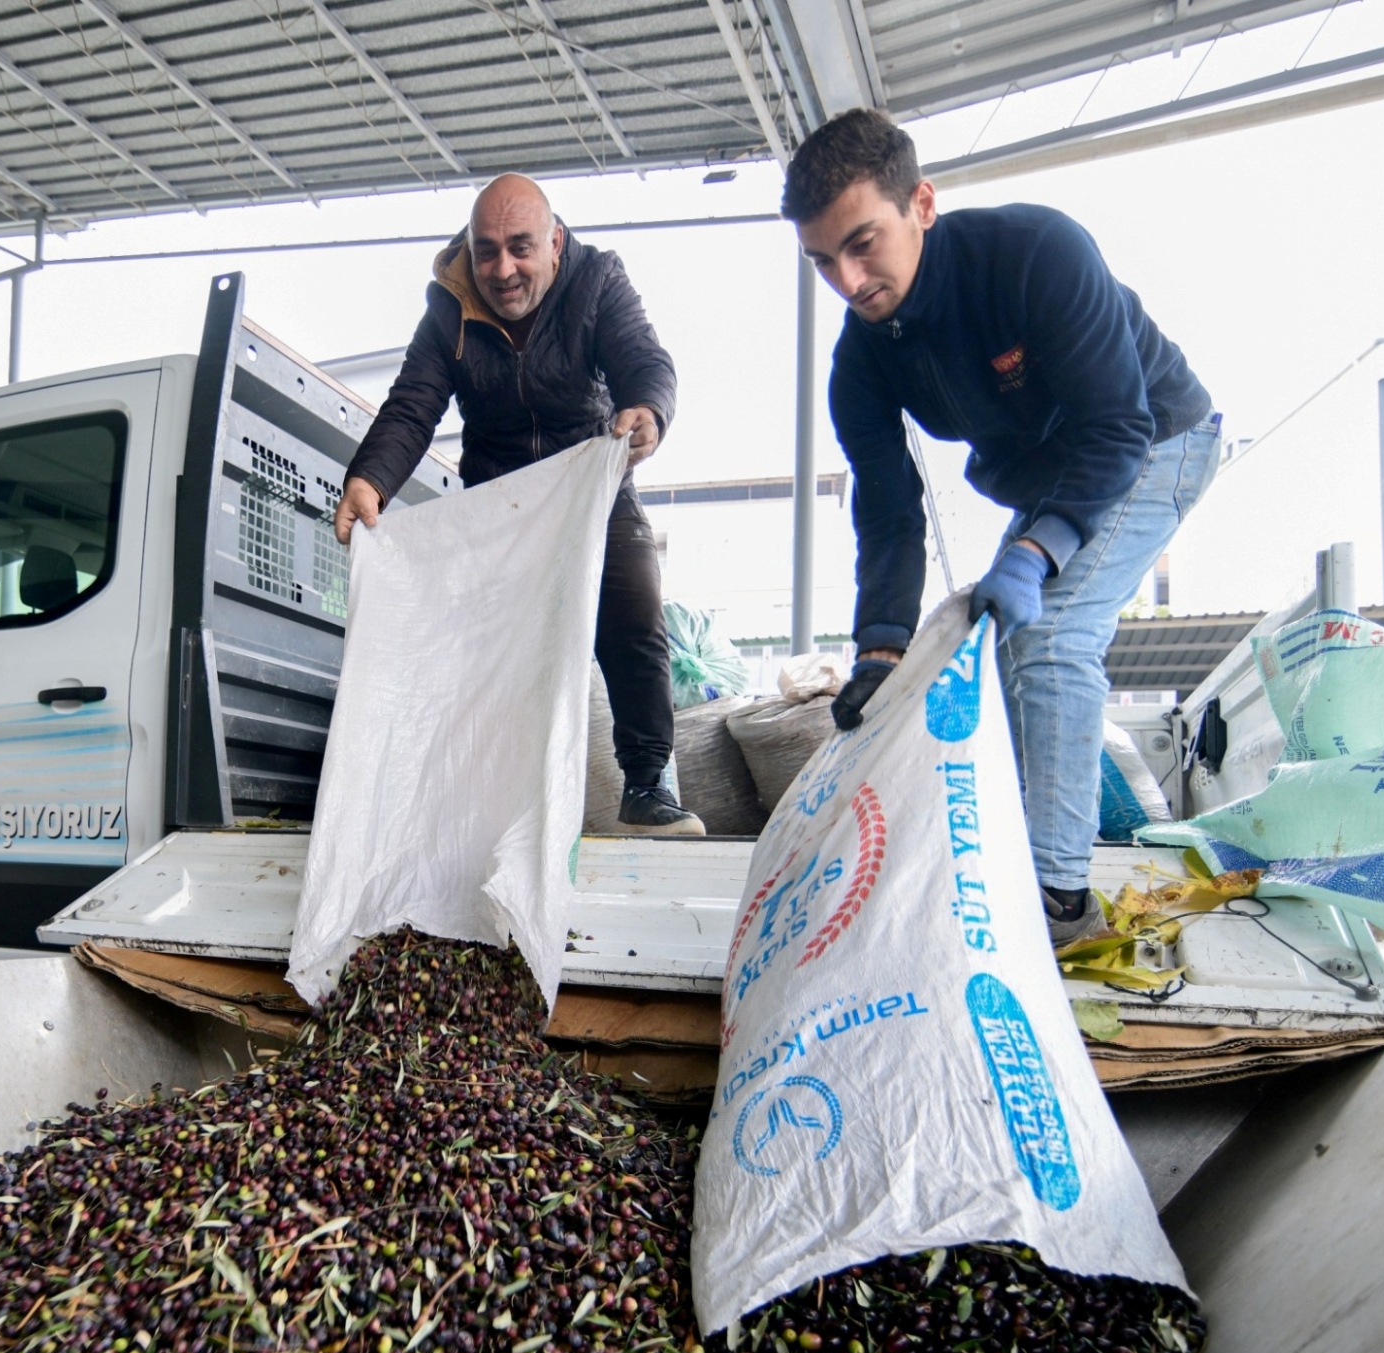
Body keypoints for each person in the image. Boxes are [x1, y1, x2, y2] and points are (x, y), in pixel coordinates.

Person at [783, 109, 1220, 945]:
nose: (846, 279)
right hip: (1056, 470)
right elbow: (885, 504)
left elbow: (1115, 428)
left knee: (1049, 632)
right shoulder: (861, 357)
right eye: (821, 261)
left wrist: (1037, 547)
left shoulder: (1034, 254)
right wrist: (880, 650)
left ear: (921, 203)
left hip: (1153, 436)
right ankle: (1013, 852)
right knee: (996, 636)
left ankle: (1058, 902)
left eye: (862, 243)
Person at [336, 174, 703, 835]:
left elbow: (644, 359)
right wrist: (370, 479)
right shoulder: (448, 304)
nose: (501, 270)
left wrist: (648, 410)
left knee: (634, 615)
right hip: (498, 498)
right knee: (494, 650)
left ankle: (647, 785)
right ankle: (493, 801)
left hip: (590, 483)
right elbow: (413, 404)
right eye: (486, 251)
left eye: (520, 248)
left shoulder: (597, 281)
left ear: (555, 243)